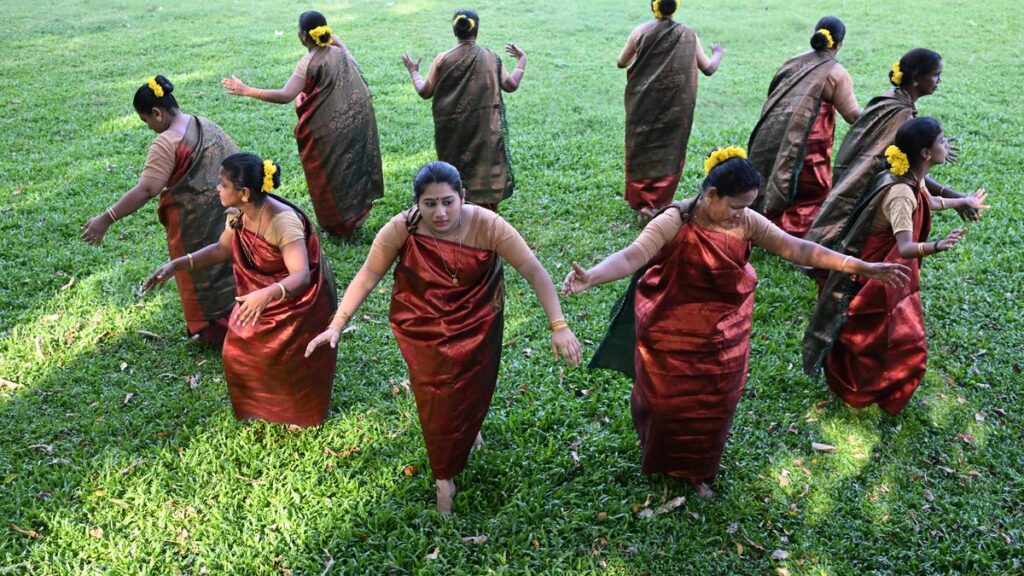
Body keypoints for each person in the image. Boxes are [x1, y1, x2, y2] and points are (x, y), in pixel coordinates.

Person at [562, 147, 909, 497]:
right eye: (735, 206)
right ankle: (662, 455)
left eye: (747, 207)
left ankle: (698, 470)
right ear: (711, 194)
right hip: (670, 330)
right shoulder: (675, 220)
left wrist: (860, 266)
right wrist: (592, 276)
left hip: (725, 335)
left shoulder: (746, 223)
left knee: (715, 404)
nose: (741, 214)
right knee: (664, 402)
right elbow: (633, 255)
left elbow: (798, 249)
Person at [305, 161, 582, 514]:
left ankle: (469, 428)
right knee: (436, 395)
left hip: (478, 320)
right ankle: (444, 477)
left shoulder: (487, 224)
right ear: (416, 203)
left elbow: (534, 271)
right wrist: (336, 324)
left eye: (448, 202)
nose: (440, 212)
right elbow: (369, 274)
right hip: (424, 326)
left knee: (475, 383)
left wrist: (559, 326)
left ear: (463, 197)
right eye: (430, 203)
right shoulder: (401, 229)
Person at [804, 118, 988, 414]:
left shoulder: (908, 178)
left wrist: (962, 200)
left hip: (885, 266)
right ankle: (865, 388)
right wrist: (937, 246)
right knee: (889, 334)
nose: (946, 147)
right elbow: (904, 247)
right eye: (941, 142)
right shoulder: (901, 193)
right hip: (879, 270)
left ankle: (867, 384)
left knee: (879, 332)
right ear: (926, 154)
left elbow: (927, 202)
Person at [144, 153, 338, 428]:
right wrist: (177, 264)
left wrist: (267, 293)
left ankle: (301, 413)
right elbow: (222, 249)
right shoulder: (238, 215)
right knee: (238, 351)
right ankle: (264, 406)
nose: (217, 189)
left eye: (223, 185)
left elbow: (302, 277)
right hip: (260, 297)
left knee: (293, 363)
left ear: (244, 192)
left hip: (299, 303)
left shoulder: (282, 222)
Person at [81, 75, 238, 346]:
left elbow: (147, 189)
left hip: (195, 225)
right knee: (226, 268)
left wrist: (106, 219)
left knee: (201, 273)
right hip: (227, 215)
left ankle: (219, 331)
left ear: (157, 112)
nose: (150, 128)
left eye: (147, 121)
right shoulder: (206, 124)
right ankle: (238, 318)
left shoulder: (166, 142)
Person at [222, 11, 384, 238]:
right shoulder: (338, 52)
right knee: (352, 169)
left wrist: (247, 90)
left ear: (303, 36)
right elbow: (349, 60)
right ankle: (355, 217)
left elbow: (285, 95)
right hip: (356, 120)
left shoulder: (308, 63)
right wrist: (337, 40)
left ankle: (338, 226)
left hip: (329, 130)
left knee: (332, 175)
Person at [805, 48, 979, 250]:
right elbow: (908, 168)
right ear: (916, 78)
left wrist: (932, 144)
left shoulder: (892, 97)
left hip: (851, 174)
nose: (939, 80)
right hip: (866, 184)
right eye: (935, 75)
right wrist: (954, 195)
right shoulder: (901, 114)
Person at [401, 9, 525, 212]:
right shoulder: (491, 57)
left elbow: (425, 92)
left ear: (454, 30)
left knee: (455, 172)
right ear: (476, 30)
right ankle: (486, 218)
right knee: (486, 171)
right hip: (486, 131)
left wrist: (414, 72)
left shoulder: (443, 59)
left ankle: (458, 213)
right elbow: (510, 85)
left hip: (453, 132)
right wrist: (522, 61)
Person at [747, 17, 861, 237]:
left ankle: (761, 219)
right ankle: (784, 229)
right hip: (807, 142)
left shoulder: (793, 61)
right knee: (811, 190)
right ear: (838, 44)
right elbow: (852, 115)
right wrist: (882, 112)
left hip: (775, 129)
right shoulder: (836, 73)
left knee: (773, 176)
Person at [618, 0, 725, 222]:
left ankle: (643, 205)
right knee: (670, 150)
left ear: (653, 7)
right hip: (677, 107)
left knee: (641, 149)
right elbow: (709, 68)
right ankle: (659, 202)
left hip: (643, 103)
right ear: (676, 7)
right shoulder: (688, 34)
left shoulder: (640, 32)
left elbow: (621, 62)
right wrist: (718, 53)